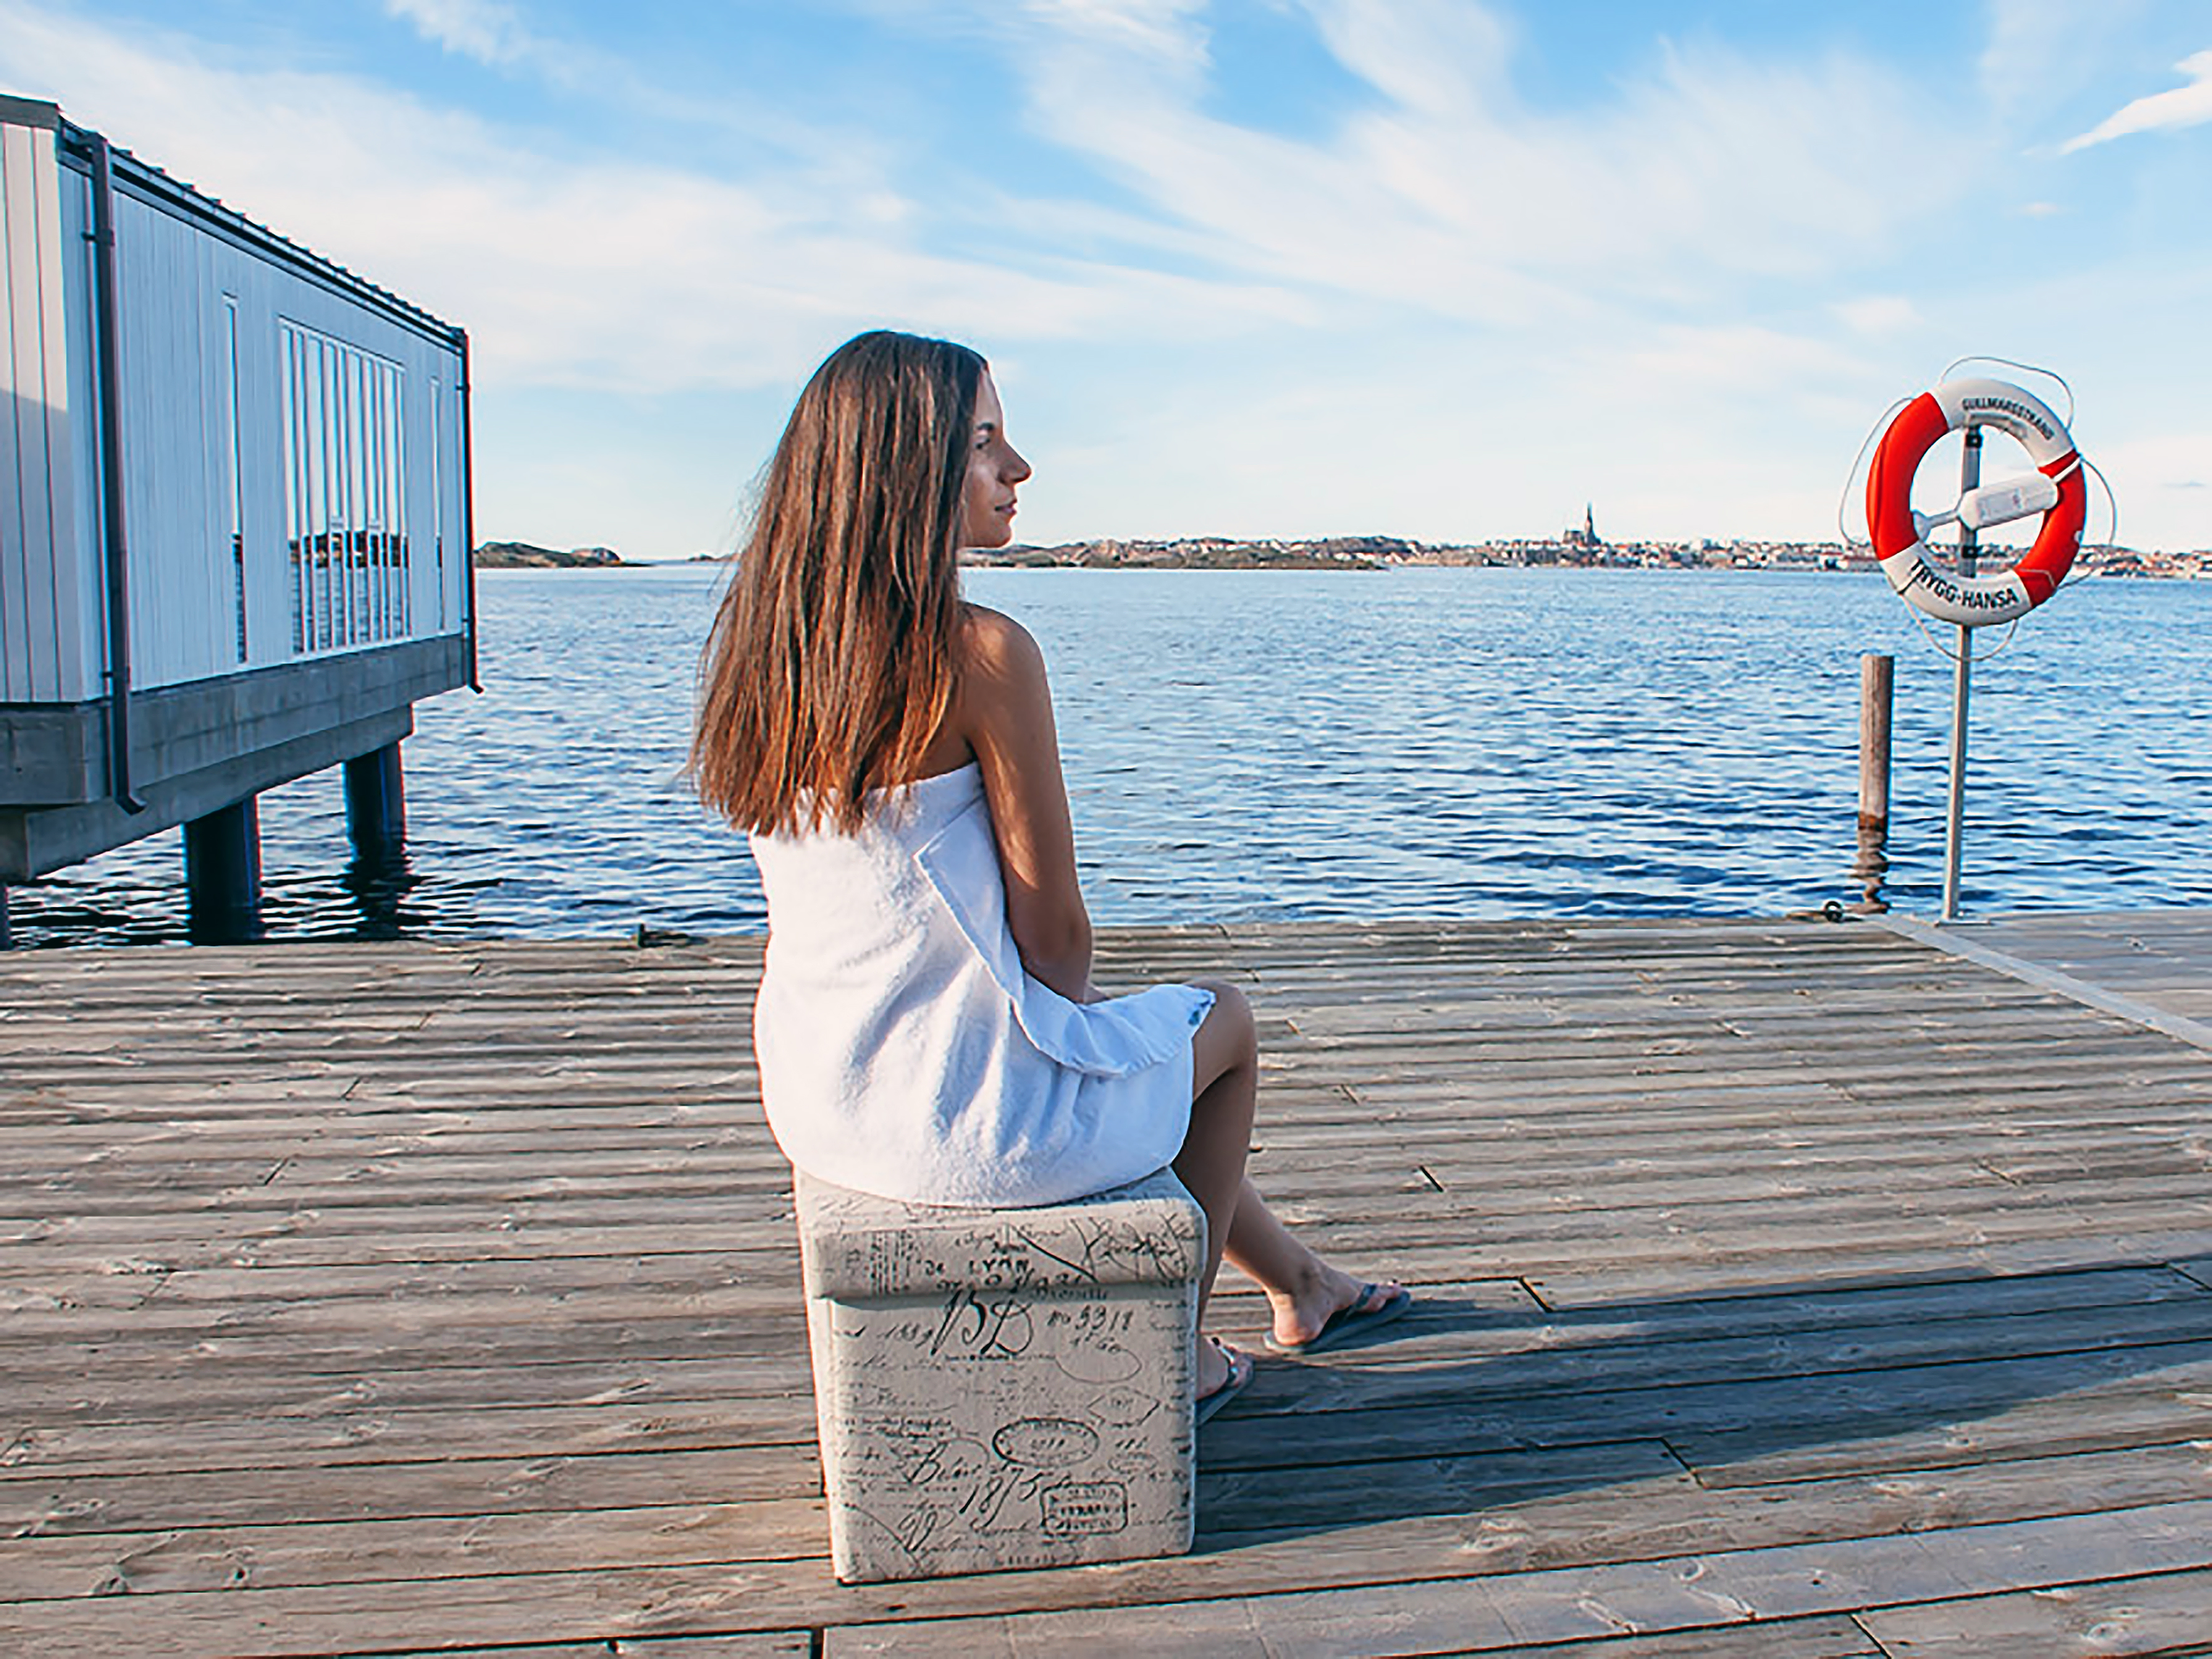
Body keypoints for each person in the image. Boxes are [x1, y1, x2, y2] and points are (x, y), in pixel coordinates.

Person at [691, 329, 1406, 1418]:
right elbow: (1059, 948)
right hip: (961, 1127)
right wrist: (1070, 1018)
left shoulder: (769, 649)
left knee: (1131, 1038)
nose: (1018, 469)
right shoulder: (980, 653)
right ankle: (1178, 1352)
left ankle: (1303, 1282)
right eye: (986, 444)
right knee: (1224, 1024)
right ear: (904, 471)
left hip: (824, 1090)